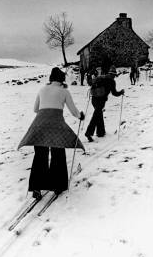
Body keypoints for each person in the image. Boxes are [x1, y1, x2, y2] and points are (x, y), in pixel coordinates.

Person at [18, 67, 85, 200]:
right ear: (62, 79)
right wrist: (80, 116)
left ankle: (36, 188)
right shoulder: (64, 91)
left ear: (50, 79)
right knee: (58, 154)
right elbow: (73, 111)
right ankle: (57, 186)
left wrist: (45, 113)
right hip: (56, 127)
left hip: (39, 125)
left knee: (40, 156)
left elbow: (35, 109)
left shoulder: (42, 89)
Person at [85, 65, 124, 142]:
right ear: (113, 74)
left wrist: (89, 75)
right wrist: (121, 92)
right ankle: (88, 133)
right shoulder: (112, 81)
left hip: (94, 99)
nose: (114, 77)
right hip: (101, 100)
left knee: (98, 114)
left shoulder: (101, 77)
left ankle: (101, 132)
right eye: (114, 75)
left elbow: (90, 83)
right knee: (96, 116)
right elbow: (114, 93)